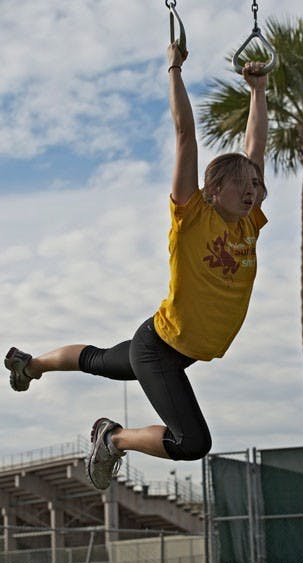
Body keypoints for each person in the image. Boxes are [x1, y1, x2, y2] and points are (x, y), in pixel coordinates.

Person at [4, 42, 269, 490]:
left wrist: (258, 92)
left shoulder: (249, 224)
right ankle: (115, 438)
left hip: (167, 343)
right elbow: (185, 135)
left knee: (96, 360)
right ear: (213, 189)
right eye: (242, 184)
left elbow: (254, 147)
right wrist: (174, 69)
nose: (252, 190)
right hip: (161, 350)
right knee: (192, 442)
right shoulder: (191, 217)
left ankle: (29, 366)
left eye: (255, 184)